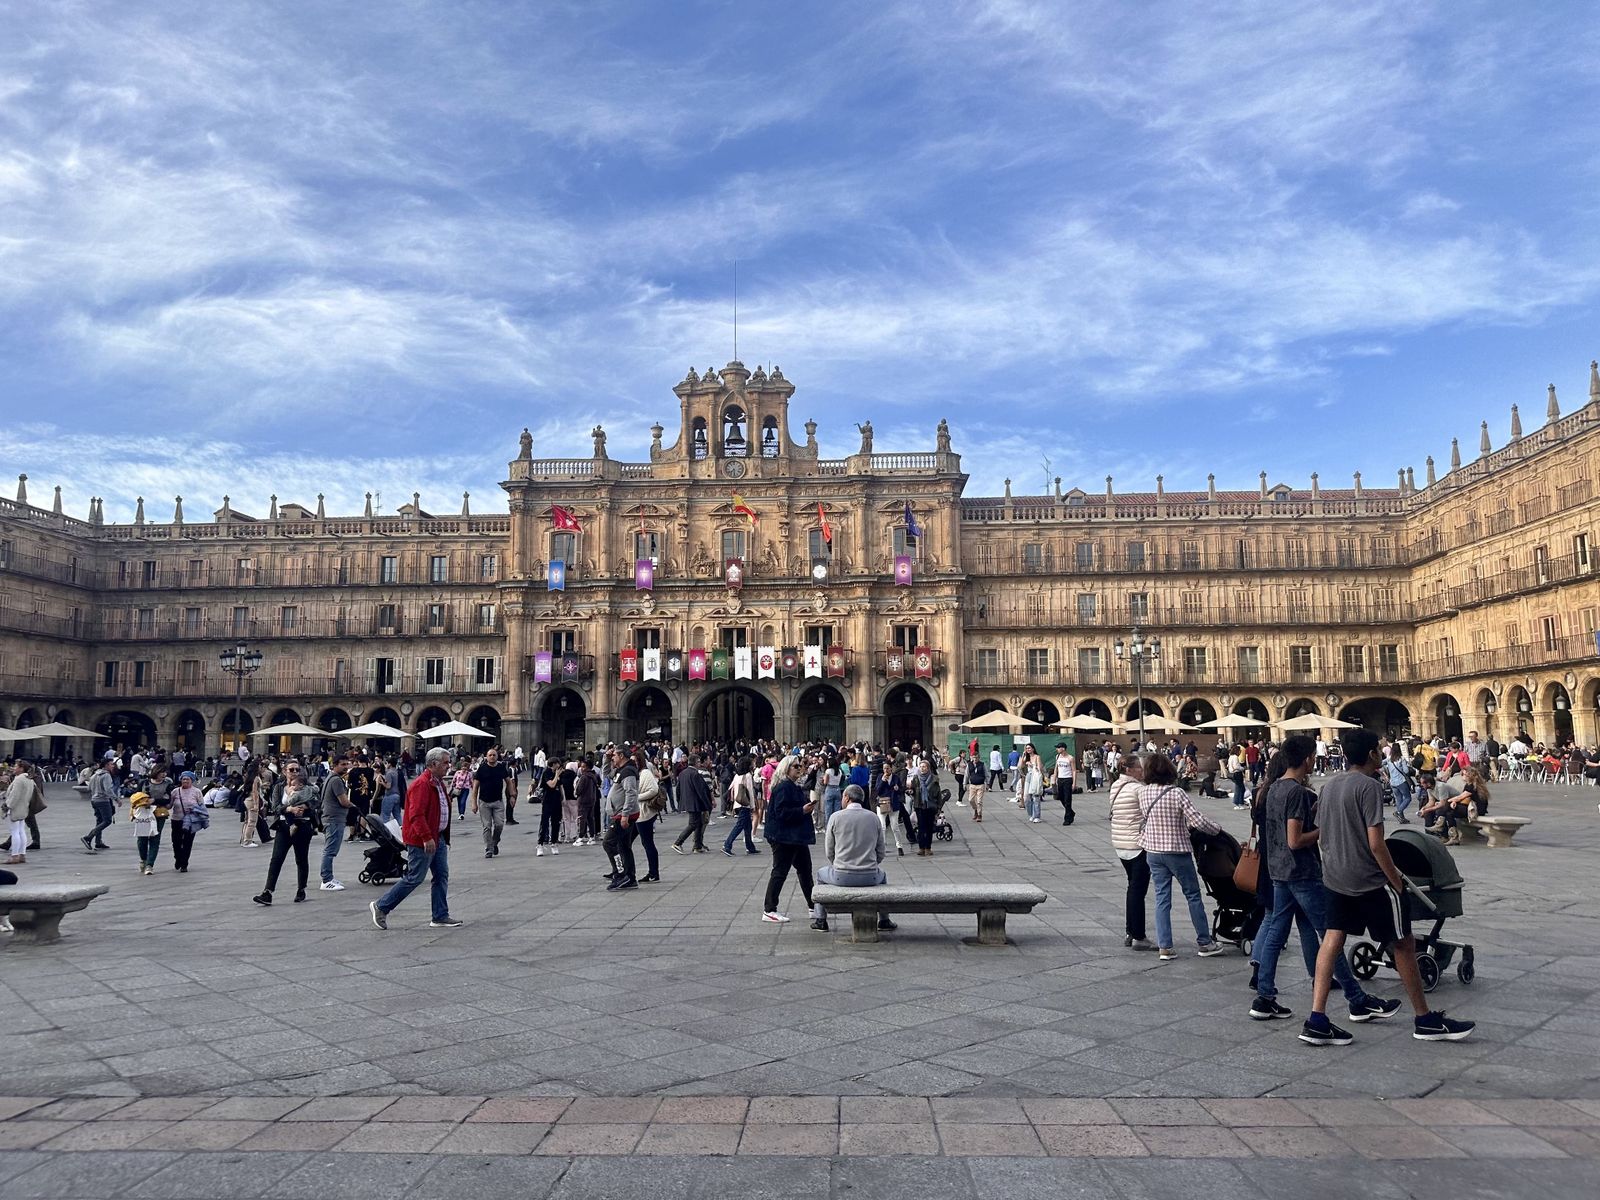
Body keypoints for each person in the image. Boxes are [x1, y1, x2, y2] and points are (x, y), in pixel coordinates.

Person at [1302, 729, 1474, 1046]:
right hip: (1369, 880)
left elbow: (1322, 831)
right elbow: (1376, 843)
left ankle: (1317, 1018)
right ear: (1371, 754)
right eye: (1377, 750)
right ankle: (1424, 1020)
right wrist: (1394, 882)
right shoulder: (1368, 787)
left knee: (1332, 940)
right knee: (1403, 944)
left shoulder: (1328, 786)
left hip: (1335, 878)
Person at [1250, 736, 1398, 1024]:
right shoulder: (1294, 792)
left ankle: (1264, 996)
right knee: (1331, 936)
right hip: (1302, 873)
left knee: (1276, 933)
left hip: (1277, 871)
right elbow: (1295, 840)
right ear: (1307, 759)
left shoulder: (1272, 789)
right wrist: (1322, 830)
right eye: (1312, 757)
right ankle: (1357, 1000)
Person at [1136, 753, 1225, 960]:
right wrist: (1217, 830)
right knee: (1193, 895)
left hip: (1153, 851)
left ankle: (1165, 946)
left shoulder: (1143, 792)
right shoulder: (1176, 793)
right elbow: (1197, 821)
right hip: (1177, 851)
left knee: (1161, 898)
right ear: (1169, 770)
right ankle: (1205, 942)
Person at [369, 747, 462, 929]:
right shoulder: (422, 784)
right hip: (423, 840)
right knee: (414, 877)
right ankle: (381, 906)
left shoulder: (438, 782)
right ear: (433, 764)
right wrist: (427, 838)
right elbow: (416, 815)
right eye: (445, 762)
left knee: (441, 875)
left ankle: (440, 915)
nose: (448, 766)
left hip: (438, 837)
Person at [811, 784, 896, 933]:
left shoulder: (836, 817)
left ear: (847, 797)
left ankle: (820, 920)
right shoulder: (873, 817)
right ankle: (884, 920)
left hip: (841, 875)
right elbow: (881, 850)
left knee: (820, 875)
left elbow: (829, 850)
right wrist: (872, 864)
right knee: (883, 876)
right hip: (870, 876)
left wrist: (838, 864)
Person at [761, 755, 816, 923]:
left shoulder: (792, 786)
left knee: (805, 870)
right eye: (796, 766)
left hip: (794, 836)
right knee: (780, 871)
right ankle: (769, 909)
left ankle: (814, 906)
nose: (800, 769)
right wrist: (802, 811)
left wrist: (804, 809)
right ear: (786, 769)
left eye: (800, 766)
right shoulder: (784, 787)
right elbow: (781, 813)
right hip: (784, 837)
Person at [252, 763, 318, 904]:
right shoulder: (279, 787)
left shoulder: (307, 787)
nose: (294, 772)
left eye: (297, 769)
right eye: (291, 769)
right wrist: (289, 809)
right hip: (284, 826)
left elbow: (317, 802)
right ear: (284, 771)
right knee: (276, 858)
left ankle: (301, 889)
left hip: (303, 825)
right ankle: (267, 892)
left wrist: (305, 806)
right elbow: (275, 808)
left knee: (301, 858)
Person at [1108, 755, 1153, 950]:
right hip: (1137, 845)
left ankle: (1130, 931)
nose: (1142, 772)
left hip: (1120, 843)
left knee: (1132, 888)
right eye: (1139, 769)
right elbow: (1149, 813)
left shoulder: (1115, 786)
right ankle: (1138, 936)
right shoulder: (1138, 789)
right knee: (1137, 890)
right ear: (1129, 770)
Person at [601, 747, 640, 890]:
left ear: (622, 756)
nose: (613, 758)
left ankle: (620, 873)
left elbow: (631, 793)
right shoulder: (620, 770)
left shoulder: (628, 771)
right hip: (620, 813)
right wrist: (606, 758)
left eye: (615, 756)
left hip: (623, 815)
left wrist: (625, 815)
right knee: (623, 846)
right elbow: (606, 775)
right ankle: (630, 877)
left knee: (609, 843)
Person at [318, 754, 353, 891]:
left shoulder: (331, 778)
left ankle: (329, 877)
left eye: (347, 764)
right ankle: (326, 880)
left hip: (330, 818)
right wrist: (352, 805)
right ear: (335, 765)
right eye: (343, 764)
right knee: (330, 850)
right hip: (334, 818)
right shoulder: (336, 781)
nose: (346, 767)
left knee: (330, 849)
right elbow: (343, 801)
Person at [471, 746, 512, 859]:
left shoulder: (501, 768)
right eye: (490, 755)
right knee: (487, 826)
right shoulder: (482, 768)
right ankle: (489, 849)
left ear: (497, 756)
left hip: (498, 801)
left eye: (494, 755)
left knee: (499, 825)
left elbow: (508, 782)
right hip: (484, 802)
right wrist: (474, 803)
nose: (492, 757)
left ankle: (494, 842)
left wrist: (512, 796)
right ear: (486, 757)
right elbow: (475, 787)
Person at [673, 753, 713, 853]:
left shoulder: (683, 773)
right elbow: (701, 791)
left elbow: (678, 789)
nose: (700, 763)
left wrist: (679, 801)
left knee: (698, 823)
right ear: (695, 762)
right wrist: (707, 804)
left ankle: (697, 845)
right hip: (695, 803)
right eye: (699, 762)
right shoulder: (695, 774)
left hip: (687, 802)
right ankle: (678, 843)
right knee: (693, 824)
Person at [721, 755, 762, 855]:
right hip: (745, 804)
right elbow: (750, 792)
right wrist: (753, 806)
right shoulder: (747, 775)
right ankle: (727, 845)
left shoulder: (737, 775)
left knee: (747, 826)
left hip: (737, 803)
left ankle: (750, 847)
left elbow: (731, 788)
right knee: (739, 826)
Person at [168, 771, 207, 873]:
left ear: (192, 781)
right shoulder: (175, 791)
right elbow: (169, 805)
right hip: (177, 820)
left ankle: (184, 863)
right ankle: (178, 858)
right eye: (183, 779)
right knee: (176, 842)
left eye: (187, 779)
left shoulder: (197, 792)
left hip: (191, 820)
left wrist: (196, 810)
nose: (185, 781)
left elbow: (202, 806)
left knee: (187, 842)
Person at [4, 763, 40, 865]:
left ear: (21, 768)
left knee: (15, 832)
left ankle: (14, 856)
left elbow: (15, 796)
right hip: (24, 807)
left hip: (15, 808)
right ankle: (22, 854)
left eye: (15, 766)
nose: (13, 768)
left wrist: (7, 806)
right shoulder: (29, 779)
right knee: (21, 831)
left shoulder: (19, 779)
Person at [82, 759, 120, 852]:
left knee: (100, 821)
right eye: (111, 764)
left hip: (94, 800)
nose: (113, 766)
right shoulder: (106, 775)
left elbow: (89, 787)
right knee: (107, 820)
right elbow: (108, 789)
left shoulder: (95, 774)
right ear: (106, 765)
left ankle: (98, 842)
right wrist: (116, 799)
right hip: (103, 800)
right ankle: (89, 837)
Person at [909, 758, 940, 856]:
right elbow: (912, 790)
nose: (922, 769)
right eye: (921, 767)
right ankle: (921, 847)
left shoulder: (934, 778)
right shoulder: (916, 778)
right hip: (919, 805)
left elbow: (938, 793)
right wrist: (911, 791)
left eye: (924, 767)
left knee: (929, 827)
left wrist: (939, 807)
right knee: (921, 827)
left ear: (928, 768)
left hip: (931, 806)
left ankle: (928, 847)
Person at [1384, 743, 1415, 824]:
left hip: (1392, 782)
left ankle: (1402, 818)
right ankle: (1398, 812)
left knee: (1399, 799)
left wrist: (1385, 774)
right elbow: (1406, 771)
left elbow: (1380, 764)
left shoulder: (1389, 759)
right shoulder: (1401, 759)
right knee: (1408, 798)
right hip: (1401, 781)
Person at [1053, 743, 1076, 824]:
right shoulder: (1058, 756)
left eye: (1058, 748)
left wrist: (1074, 783)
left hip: (1068, 779)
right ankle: (1071, 812)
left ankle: (1067, 818)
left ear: (1063, 748)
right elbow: (1056, 768)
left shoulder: (1070, 758)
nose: (1057, 749)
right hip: (1060, 779)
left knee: (1067, 799)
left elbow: (1073, 770)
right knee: (1061, 797)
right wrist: (1054, 778)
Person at [963, 752, 986, 821]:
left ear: (979, 758)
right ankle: (975, 810)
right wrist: (964, 783)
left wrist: (988, 784)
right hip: (972, 785)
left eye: (976, 757)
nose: (975, 759)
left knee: (979, 801)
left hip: (980, 785)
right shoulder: (969, 765)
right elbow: (966, 774)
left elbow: (986, 774)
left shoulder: (982, 765)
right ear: (971, 757)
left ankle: (979, 815)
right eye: (974, 757)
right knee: (971, 800)